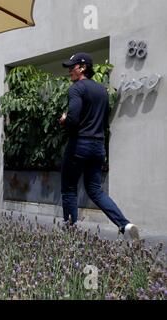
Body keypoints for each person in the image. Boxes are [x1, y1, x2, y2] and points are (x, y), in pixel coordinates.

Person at [59, 52, 139, 240]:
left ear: (83, 67)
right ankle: (125, 225)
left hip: (79, 144)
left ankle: (70, 235)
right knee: (95, 189)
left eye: (73, 67)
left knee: (69, 188)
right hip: (98, 145)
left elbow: (73, 119)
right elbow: (103, 120)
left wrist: (64, 120)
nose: (69, 71)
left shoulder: (76, 89)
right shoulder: (102, 90)